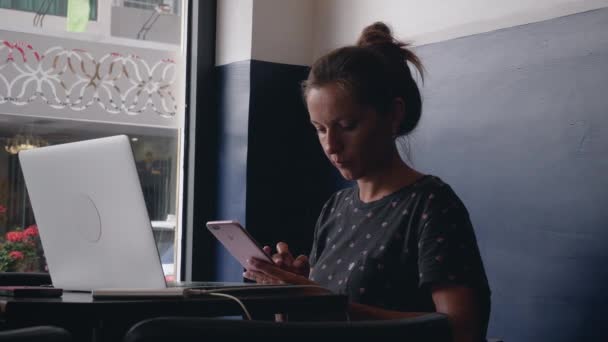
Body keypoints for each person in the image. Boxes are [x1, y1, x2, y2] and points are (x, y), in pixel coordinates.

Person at [243, 22, 491, 342]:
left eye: (347, 125)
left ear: (393, 114)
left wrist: (319, 301)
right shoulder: (336, 209)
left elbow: (462, 330)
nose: (331, 145)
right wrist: (290, 298)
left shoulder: (431, 205)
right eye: (320, 129)